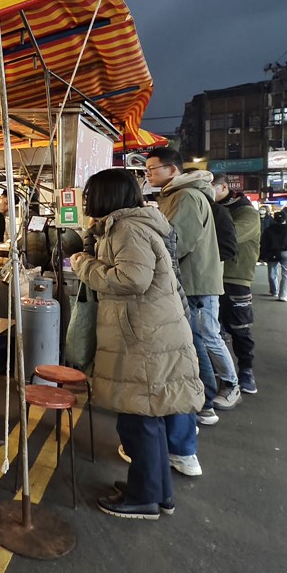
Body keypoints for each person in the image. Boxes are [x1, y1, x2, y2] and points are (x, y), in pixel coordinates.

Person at [71, 169, 202, 520]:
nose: (86, 201)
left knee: (139, 421)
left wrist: (83, 263)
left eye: (90, 195)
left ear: (106, 195)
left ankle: (144, 498)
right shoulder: (133, 224)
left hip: (142, 339)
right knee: (147, 419)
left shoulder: (127, 228)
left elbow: (131, 279)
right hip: (149, 334)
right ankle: (157, 492)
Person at [145, 147, 232, 472]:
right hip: (188, 282)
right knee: (191, 345)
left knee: (191, 346)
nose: (149, 175)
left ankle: (204, 403)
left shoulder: (186, 197)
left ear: (171, 169)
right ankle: (197, 408)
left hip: (193, 283)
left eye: (152, 169)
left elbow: (176, 241)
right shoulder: (176, 195)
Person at [211, 174, 261, 395]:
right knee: (214, 329)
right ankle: (222, 372)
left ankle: (246, 371)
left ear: (223, 187)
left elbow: (231, 236)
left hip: (235, 277)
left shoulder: (246, 212)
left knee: (239, 328)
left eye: (209, 187)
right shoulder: (211, 207)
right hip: (211, 276)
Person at [262, 211, 287, 302]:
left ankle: (274, 291)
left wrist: (263, 255)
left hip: (272, 253)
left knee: (272, 273)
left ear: (274, 219)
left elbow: (263, 243)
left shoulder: (268, 229)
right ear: (286, 219)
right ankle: (283, 295)